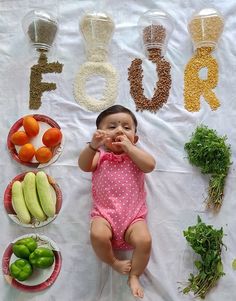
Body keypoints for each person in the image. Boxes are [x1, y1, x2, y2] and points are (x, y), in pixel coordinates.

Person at [78, 104, 156, 298]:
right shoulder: (99, 156)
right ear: (100, 134)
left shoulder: (135, 157)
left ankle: (135, 275)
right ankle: (113, 261)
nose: (119, 130)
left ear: (135, 138)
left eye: (126, 128)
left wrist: (131, 149)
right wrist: (92, 146)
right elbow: (83, 165)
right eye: (112, 127)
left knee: (145, 240)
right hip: (104, 215)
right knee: (97, 234)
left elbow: (150, 166)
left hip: (133, 218)